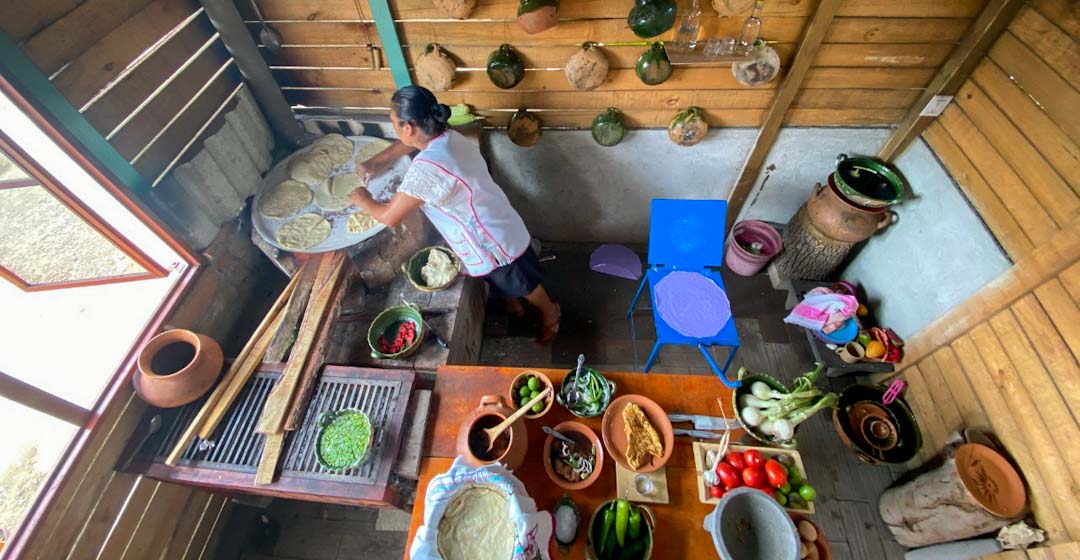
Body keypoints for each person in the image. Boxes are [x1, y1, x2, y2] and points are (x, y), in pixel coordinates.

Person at [347, 85, 561, 342]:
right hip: (495, 218)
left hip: (489, 239)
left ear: (409, 127)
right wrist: (377, 161)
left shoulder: (427, 170)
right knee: (502, 279)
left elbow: (389, 217)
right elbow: (408, 144)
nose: (395, 129)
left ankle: (550, 312)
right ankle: (513, 305)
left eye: (395, 124)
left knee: (521, 283)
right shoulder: (447, 136)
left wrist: (362, 198)